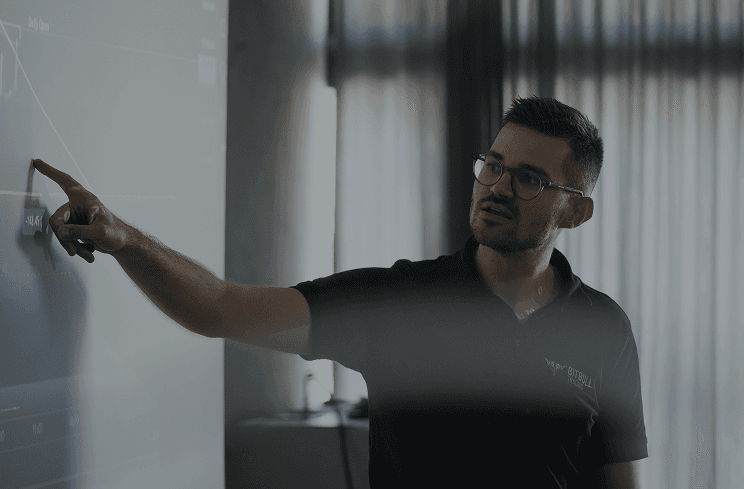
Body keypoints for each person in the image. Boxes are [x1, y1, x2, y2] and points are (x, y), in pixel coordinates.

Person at [34, 95, 647, 488]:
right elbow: (220, 308)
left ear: (575, 211)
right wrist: (126, 239)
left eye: (530, 178)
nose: (498, 187)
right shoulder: (400, 300)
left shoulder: (604, 327)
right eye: (493, 164)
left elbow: (617, 478)